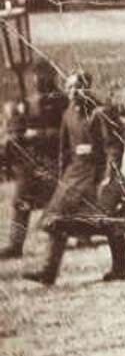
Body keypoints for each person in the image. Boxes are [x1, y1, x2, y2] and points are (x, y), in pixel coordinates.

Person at [22, 73, 125, 285]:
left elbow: (114, 147)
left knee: (110, 222)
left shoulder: (102, 112)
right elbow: (65, 150)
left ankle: (120, 268)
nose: (73, 92)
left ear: (87, 87)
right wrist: (62, 177)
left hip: (99, 176)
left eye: (78, 87)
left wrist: (111, 176)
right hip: (75, 175)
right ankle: (48, 271)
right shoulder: (68, 114)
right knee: (57, 220)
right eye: (69, 87)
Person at [1, 60, 68, 260]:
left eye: (42, 77)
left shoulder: (62, 102)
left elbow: (68, 132)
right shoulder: (29, 102)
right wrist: (17, 128)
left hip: (52, 159)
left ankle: (82, 235)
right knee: (21, 202)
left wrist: (39, 134)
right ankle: (15, 244)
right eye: (36, 77)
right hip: (30, 161)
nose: (37, 81)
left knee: (62, 202)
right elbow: (17, 129)